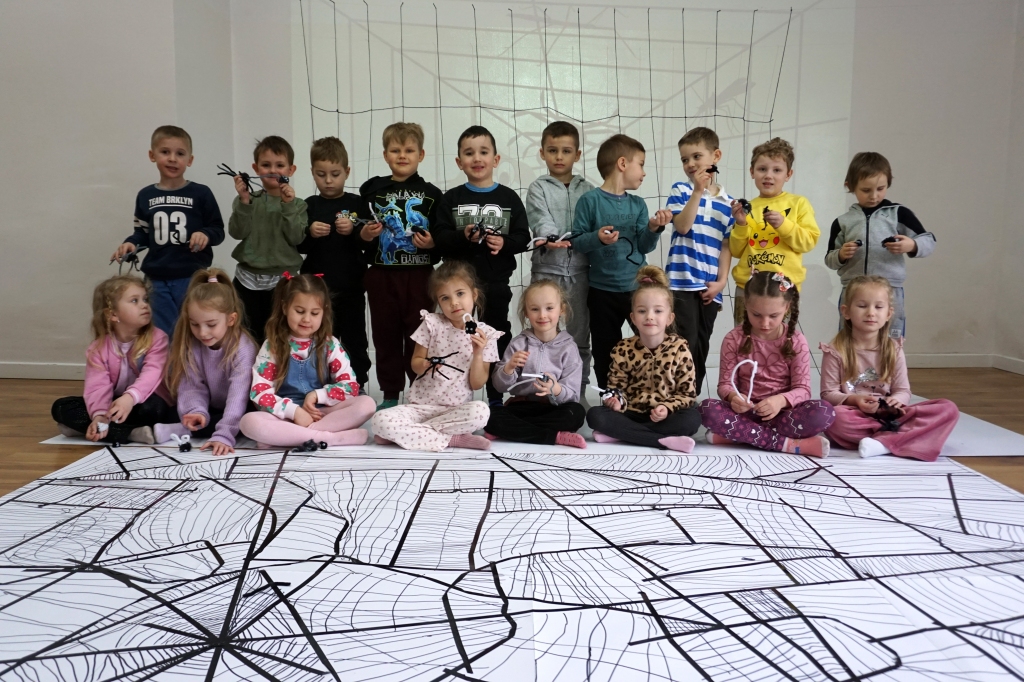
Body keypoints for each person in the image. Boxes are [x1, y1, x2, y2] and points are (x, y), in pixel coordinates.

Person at [431, 125, 530, 406]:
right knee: (455, 338)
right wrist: (462, 236)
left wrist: (504, 243)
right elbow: (439, 237)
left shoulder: (509, 198)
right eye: (469, 153)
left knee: (494, 336)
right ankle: (452, 396)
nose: (477, 158)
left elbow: (523, 237)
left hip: (495, 283)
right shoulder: (451, 198)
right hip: (457, 288)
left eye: (484, 152)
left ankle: (496, 396)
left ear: (495, 160)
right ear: (459, 162)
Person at [570, 134, 673, 388]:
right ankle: (609, 396)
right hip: (601, 292)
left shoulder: (638, 205)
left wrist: (653, 228)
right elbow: (577, 241)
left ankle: (656, 392)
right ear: (623, 164)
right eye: (641, 164)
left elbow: (645, 246)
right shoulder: (589, 201)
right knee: (605, 349)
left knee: (654, 341)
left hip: (637, 290)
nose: (644, 172)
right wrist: (597, 238)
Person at [821, 275, 958, 461]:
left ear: (888, 314)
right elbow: (828, 393)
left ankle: (883, 443)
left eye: (878, 307)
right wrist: (855, 400)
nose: (871, 313)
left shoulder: (894, 349)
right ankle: (899, 439)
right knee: (833, 417)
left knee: (948, 409)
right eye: (862, 306)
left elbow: (903, 390)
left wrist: (895, 401)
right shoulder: (835, 351)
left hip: (892, 416)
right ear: (846, 311)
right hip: (856, 415)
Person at [700, 270, 836, 456]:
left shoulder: (796, 340)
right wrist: (733, 398)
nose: (764, 323)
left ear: (787, 308)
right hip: (745, 413)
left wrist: (779, 401)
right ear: (746, 304)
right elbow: (725, 384)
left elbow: (803, 389)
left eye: (773, 316)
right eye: (756, 314)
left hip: (782, 415)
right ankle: (787, 444)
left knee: (824, 412)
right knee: (706, 409)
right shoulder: (733, 339)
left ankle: (741, 435)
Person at [358, 122, 444, 409]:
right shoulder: (373, 190)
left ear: (421, 154)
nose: (402, 155)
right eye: (395, 150)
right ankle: (390, 393)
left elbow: (442, 238)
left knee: (420, 337)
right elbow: (359, 233)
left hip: (420, 277)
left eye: (409, 150)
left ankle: (419, 393)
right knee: (385, 337)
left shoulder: (433, 194)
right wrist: (365, 235)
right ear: (385, 155)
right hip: (381, 276)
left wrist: (432, 244)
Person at [372, 261, 501, 452]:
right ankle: (453, 439)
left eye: (460, 294)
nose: (454, 303)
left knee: (481, 412)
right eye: (445, 298)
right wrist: (424, 364)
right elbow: (415, 363)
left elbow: (477, 384)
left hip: (456, 411)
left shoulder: (487, 334)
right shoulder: (431, 324)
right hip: (420, 407)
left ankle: (410, 434)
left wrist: (478, 353)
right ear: (438, 302)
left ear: (474, 294)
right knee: (379, 420)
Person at [110, 125, 224, 338]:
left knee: (194, 328)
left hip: (191, 275)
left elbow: (218, 230)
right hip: (156, 278)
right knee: (162, 333)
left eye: (180, 153)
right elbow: (142, 233)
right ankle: (166, 361)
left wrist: (205, 234)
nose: (172, 159)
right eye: (165, 152)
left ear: (190, 160)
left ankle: (193, 361)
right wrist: (131, 243)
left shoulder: (201, 193)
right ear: (152, 155)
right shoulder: (145, 195)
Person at [239, 273, 376, 448]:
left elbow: (350, 386)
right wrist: (294, 412)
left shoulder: (330, 345)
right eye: (299, 311)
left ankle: (290, 436)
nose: (306, 319)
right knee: (248, 422)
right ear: (285, 308)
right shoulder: (272, 346)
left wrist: (317, 395)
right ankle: (329, 438)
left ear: (324, 311)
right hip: (285, 415)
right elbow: (260, 392)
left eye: (314, 313)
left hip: (321, 412)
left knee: (366, 404)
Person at [586, 266, 702, 452]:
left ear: (670, 318)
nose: (649, 317)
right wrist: (616, 401)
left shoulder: (680, 349)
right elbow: (616, 388)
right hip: (631, 414)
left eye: (658, 311)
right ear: (633, 317)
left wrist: (667, 407)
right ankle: (662, 440)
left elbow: (687, 395)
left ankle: (622, 435)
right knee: (595, 415)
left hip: (666, 416)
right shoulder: (623, 349)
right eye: (642, 311)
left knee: (692, 419)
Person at [51, 275, 175, 444]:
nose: (144, 305)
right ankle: (129, 433)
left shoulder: (157, 338)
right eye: (134, 301)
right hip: (115, 404)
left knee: (154, 409)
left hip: (142, 401)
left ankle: (85, 428)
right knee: (61, 407)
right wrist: (100, 415)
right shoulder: (98, 348)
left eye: (145, 299)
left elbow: (152, 373)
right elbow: (97, 387)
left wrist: (129, 399)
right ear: (112, 314)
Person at [824, 152, 936, 338]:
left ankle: (890, 359)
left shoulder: (899, 214)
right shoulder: (843, 222)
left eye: (880, 189)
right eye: (866, 190)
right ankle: (849, 359)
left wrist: (912, 245)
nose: (874, 196)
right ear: (850, 186)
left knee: (890, 339)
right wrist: (841, 254)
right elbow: (830, 259)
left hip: (889, 289)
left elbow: (929, 241)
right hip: (853, 290)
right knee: (849, 337)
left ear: (888, 183)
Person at [154, 268, 257, 455]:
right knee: (170, 412)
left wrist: (224, 435)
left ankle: (183, 430)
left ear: (231, 319)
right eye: (194, 324)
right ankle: (190, 426)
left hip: (239, 408)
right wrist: (196, 411)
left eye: (211, 325)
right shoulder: (192, 345)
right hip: (211, 407)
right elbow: (192, 386)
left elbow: (238, 397)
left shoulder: (243, 349)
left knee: (250, 422)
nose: (202, 333)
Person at [526, 121, 595, 391]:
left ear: (577, 155)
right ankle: (538, 388)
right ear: (542, 153)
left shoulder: (588, 190)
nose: (559, 157)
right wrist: (551, 237)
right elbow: (539, 217)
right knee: (542, 332)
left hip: (580, 272)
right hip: (546, 272)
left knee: (579, 335)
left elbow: (592, 224)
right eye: (552, 150)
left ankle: (577, 389)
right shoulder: (538, 188)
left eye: (566, 151)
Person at [665, 126, 735, 391]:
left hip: (709, 287)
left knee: (702, 343)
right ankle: (674, 395)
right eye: (685, 159)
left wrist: (722, 282)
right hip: (681, 282)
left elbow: (726, 246)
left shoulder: (728, 203)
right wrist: (697, 191)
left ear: (715, 156)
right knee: (683, 341)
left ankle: (690, 397)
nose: (690, 164)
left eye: (696, 156)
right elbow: (682, 226)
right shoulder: (681, 190)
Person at [298, 136, 370, 388]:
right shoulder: (308, 205)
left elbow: (369, 242)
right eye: (321, 174)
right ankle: (315, 384)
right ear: (312, 173)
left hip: (351, 287)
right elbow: (299, 246)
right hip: (316, 291)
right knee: (317, 337)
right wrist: (309, 232)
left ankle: (357, 383)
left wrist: (354, 230)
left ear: (347, 172)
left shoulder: (357, 204)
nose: (328, 180)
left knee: (354, 339)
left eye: (335, 174)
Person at [728, 138, 820, 326]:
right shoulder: (747, 208)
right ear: (752, 172)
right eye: (762, 169)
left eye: (777, 170)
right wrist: (741, 224)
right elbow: (736, 251)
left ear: (788, 174)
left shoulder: (798, 203)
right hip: (747, 286)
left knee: (781, 339)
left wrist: (784, 225)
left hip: (784, 288)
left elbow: (808, 241)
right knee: (743, 337)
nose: (768, 175)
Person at [486, 279, 587, 448]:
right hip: (522, 406)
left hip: (554, 408)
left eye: (549, 308)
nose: (542, 315)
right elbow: (499, 387)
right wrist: (508, 369)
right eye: (534, 309)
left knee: (576, 413)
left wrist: (555, 389)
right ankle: (555, 436)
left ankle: (513, 431)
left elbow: (573, 395)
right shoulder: (518, 343)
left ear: (561, 309)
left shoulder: (569, 348)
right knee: (490, 415)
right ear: (526, 312)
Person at [228, 135, 308, 344]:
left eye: (279, 165)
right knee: (247, 336)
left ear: (291, 170)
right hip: (246, 279)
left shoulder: (298, 204)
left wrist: (288, 205)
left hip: (283, 280)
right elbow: (236, 232)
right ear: (255, 168)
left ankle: (278, 366)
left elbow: (296, 237)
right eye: (266, 165)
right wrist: (244, 201)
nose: (273, 170)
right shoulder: (247, 200)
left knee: (281, 336)